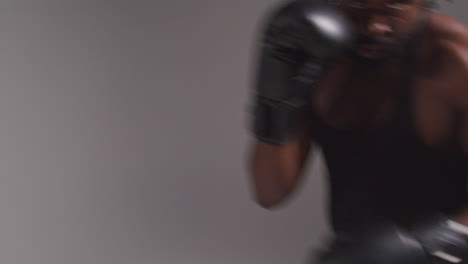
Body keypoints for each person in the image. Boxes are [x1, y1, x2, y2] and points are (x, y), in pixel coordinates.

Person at [247, 0, 468, 263]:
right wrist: (274, 92)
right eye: (356, 9)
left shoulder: (455, 60)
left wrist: (427, 246)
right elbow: (270, 191)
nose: (374, 27)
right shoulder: (317, 55)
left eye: (391, 12)